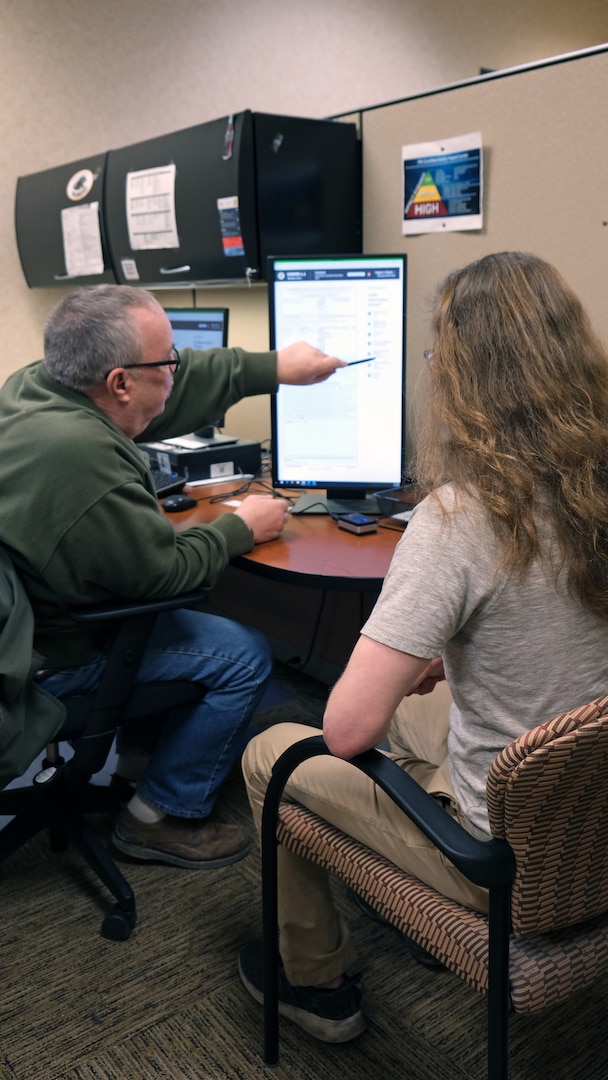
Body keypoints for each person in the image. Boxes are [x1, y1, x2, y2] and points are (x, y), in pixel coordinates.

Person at [238, 251, 608, 1042]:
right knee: (416, 713)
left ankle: (316, 986)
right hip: (593, 816)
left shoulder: (460, 518)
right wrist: (452, 653)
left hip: (502, 861)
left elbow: (344, 733)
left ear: (465, 379)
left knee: (277, 749)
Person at [0, 284, 345, 870]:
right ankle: (156, 815)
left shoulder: (35, 388)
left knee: (187, 632)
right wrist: (242, 527)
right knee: (243, 655)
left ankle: (137, 765)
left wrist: (272, 368)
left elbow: (161, 393)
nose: (177, 372)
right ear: (119, 382)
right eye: (169, 362)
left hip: (32, 615)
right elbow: (162, 576)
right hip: (53, 654)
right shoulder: (84, 455)